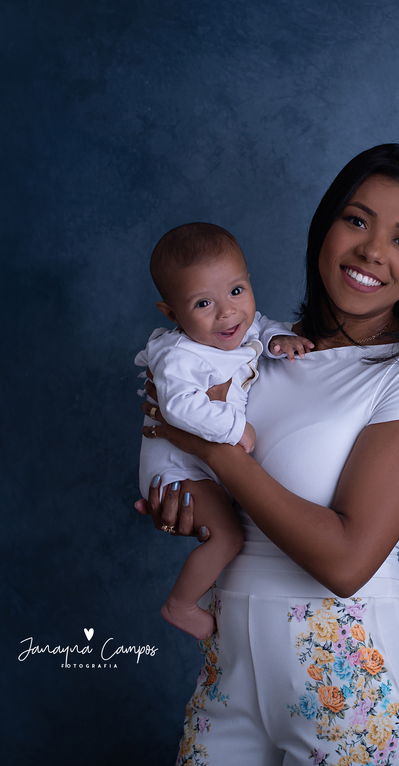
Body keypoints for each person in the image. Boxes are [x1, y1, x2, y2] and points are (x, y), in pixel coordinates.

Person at [135, 144, 399, 766]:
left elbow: (346, 561)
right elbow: (232, 496)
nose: (372, 250)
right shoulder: (254, 347)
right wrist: (183, 496)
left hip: (348, 688)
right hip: (232, 669)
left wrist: (214, 451)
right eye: (357, 220)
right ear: (325, 227)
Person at [136, 222, 315, 640]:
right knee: (228, 537)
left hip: (205, 468)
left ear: (248, 280)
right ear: (172, 314)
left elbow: (260, 324)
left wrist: (279, 338)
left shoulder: (238, 325)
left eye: (237, 291)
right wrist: (236, 428)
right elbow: (178, 407)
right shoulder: (179, 356)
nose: (227, 312)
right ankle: (181, 605)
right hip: (180, 471)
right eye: (203, 303)